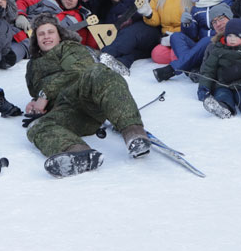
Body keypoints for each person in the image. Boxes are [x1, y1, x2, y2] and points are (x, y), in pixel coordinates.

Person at [24, 14, 150, 178]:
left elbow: (81, 69)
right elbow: (37, 93)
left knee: (99, 72)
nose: (46, 36)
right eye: (41, 34)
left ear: (59, 35)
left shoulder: (68, 47)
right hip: (68, 113)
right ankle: (78, 153)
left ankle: (134, 133)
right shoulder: (32, 66)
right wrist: (35, 103)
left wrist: (44, 94)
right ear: (36, 39)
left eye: (50, 32)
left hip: (87, 98)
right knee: (36, 127)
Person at [154, 0, 231, 82]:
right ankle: (193, 70)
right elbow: (192, 34)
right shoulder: (196, 8)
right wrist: (187, 24)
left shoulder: (228, 3)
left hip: (219, 45)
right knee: (176, 36)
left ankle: (172, 69)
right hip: (200, 49)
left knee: (208, 40)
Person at [197, 18, 241, 119]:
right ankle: (221, 108)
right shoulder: (218, 50)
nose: (232, 39)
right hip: (222, 85)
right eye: (229, 36)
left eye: (236, 36)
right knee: (222, 96)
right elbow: (208, 70)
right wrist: (204, 87)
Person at [141, 0, 193, 64]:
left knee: (175, 54)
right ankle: (184, 58)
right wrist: (148, 14)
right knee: (157, 55)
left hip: (183, 36)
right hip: (166, 37)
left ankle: (182, 59)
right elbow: (156, 21)